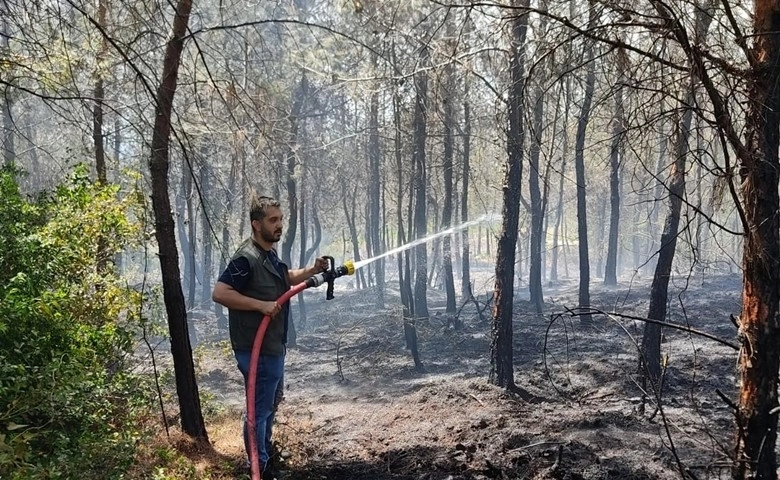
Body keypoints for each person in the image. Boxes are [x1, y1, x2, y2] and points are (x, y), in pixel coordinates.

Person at [212, 194, 326, 479]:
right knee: (259, 410)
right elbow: (221, 293)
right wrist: (261, 305)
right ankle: (258, 467)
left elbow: (285, 278)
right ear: (256, 224)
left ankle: (264, 459)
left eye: (281, 220)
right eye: (273, 220)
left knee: (269, 405)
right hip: (255, 347)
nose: (279, 226)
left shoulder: (268, 254)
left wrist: (312, 271)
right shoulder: (245, 258)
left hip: (272, 346)